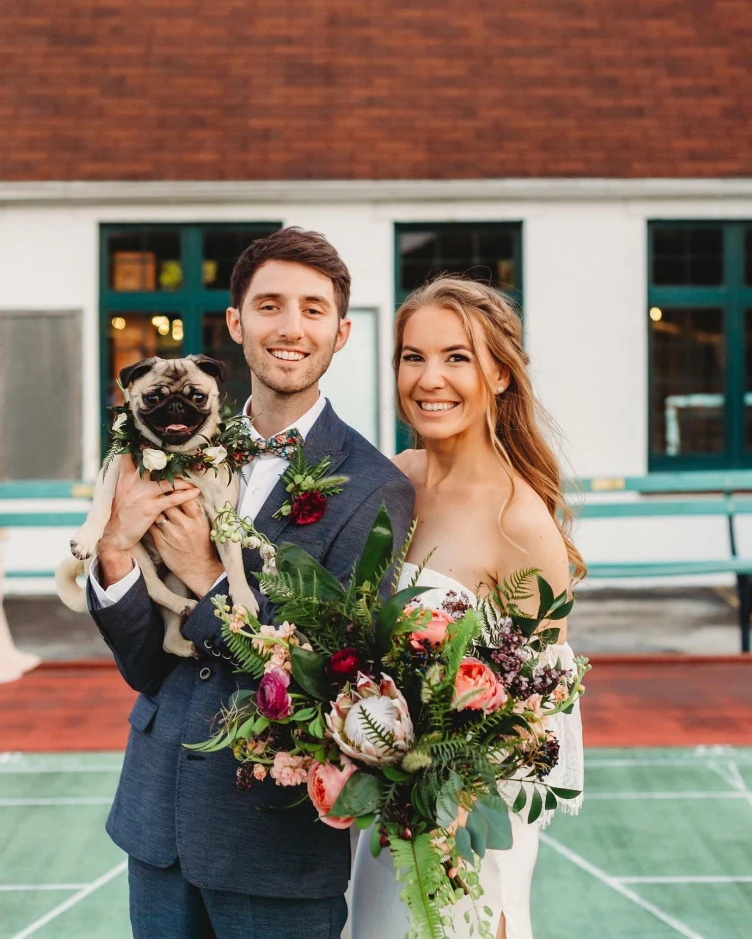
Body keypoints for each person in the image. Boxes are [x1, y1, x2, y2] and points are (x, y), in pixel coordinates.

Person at [87, 228, 415, 939]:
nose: (291, 327)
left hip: (276, 846)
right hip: (159, 821)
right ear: (237, 324)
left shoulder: (372, 487)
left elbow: (338, 674)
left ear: (341, 332)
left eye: (313, 309)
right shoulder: (166, 452)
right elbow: (147, 665)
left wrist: (210, 574)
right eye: (269, 305)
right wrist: (114, 556)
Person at [351, 277, 585, 939]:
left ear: (502, 375)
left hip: (465, 835)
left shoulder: (520, 521)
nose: (430, 379)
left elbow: (541, 709)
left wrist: (453, 808)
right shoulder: (396, 480)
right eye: (413, 356)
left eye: (457, 357)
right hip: (383, 813)